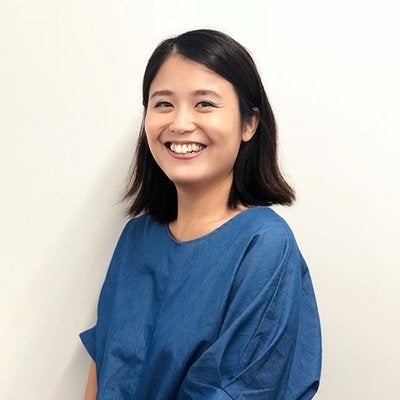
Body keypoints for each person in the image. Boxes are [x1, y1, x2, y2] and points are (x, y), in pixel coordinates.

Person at [80, 29, 321, 400]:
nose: (180, 123)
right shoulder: (136, 238)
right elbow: (104, 367)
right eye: (163, 104)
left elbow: (245, 389)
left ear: (249, 123)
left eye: (204, 104)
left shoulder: (264, 245)